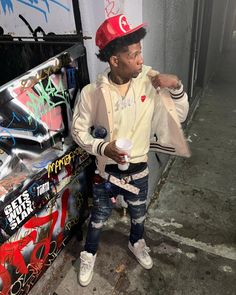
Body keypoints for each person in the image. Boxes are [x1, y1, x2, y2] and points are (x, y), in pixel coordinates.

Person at [72, 14, 190, 287]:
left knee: (139, 215)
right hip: (106, 173)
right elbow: (79, 132)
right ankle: (89, 252)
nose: (140, 59)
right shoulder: (92, 93)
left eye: (141, 53)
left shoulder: (149, 83)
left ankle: (137, 242)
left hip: (139, 171)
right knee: (98, 218)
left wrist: (176, 88)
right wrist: (102, 147)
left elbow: (178, 117)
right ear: (115, 61)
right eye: (134, 55)